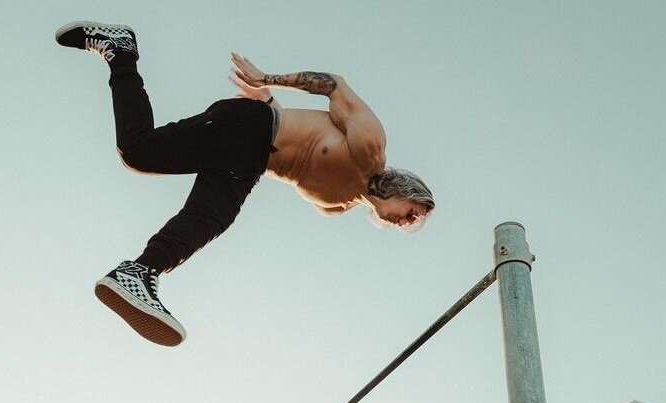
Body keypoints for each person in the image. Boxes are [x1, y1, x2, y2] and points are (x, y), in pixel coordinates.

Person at [55, 21, 435, 346]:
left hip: (249, 159)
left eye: (411, 224)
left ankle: (140, 272)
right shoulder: (371, 148)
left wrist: (272, 103)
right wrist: (268, 81)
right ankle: (121, 49)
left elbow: (298, 147)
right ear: (408, 191)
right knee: (192, 199)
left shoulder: (335, 205)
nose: (407, 221)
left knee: (148, 162)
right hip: (249, 128)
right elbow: (335, 85)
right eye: (412, 213)